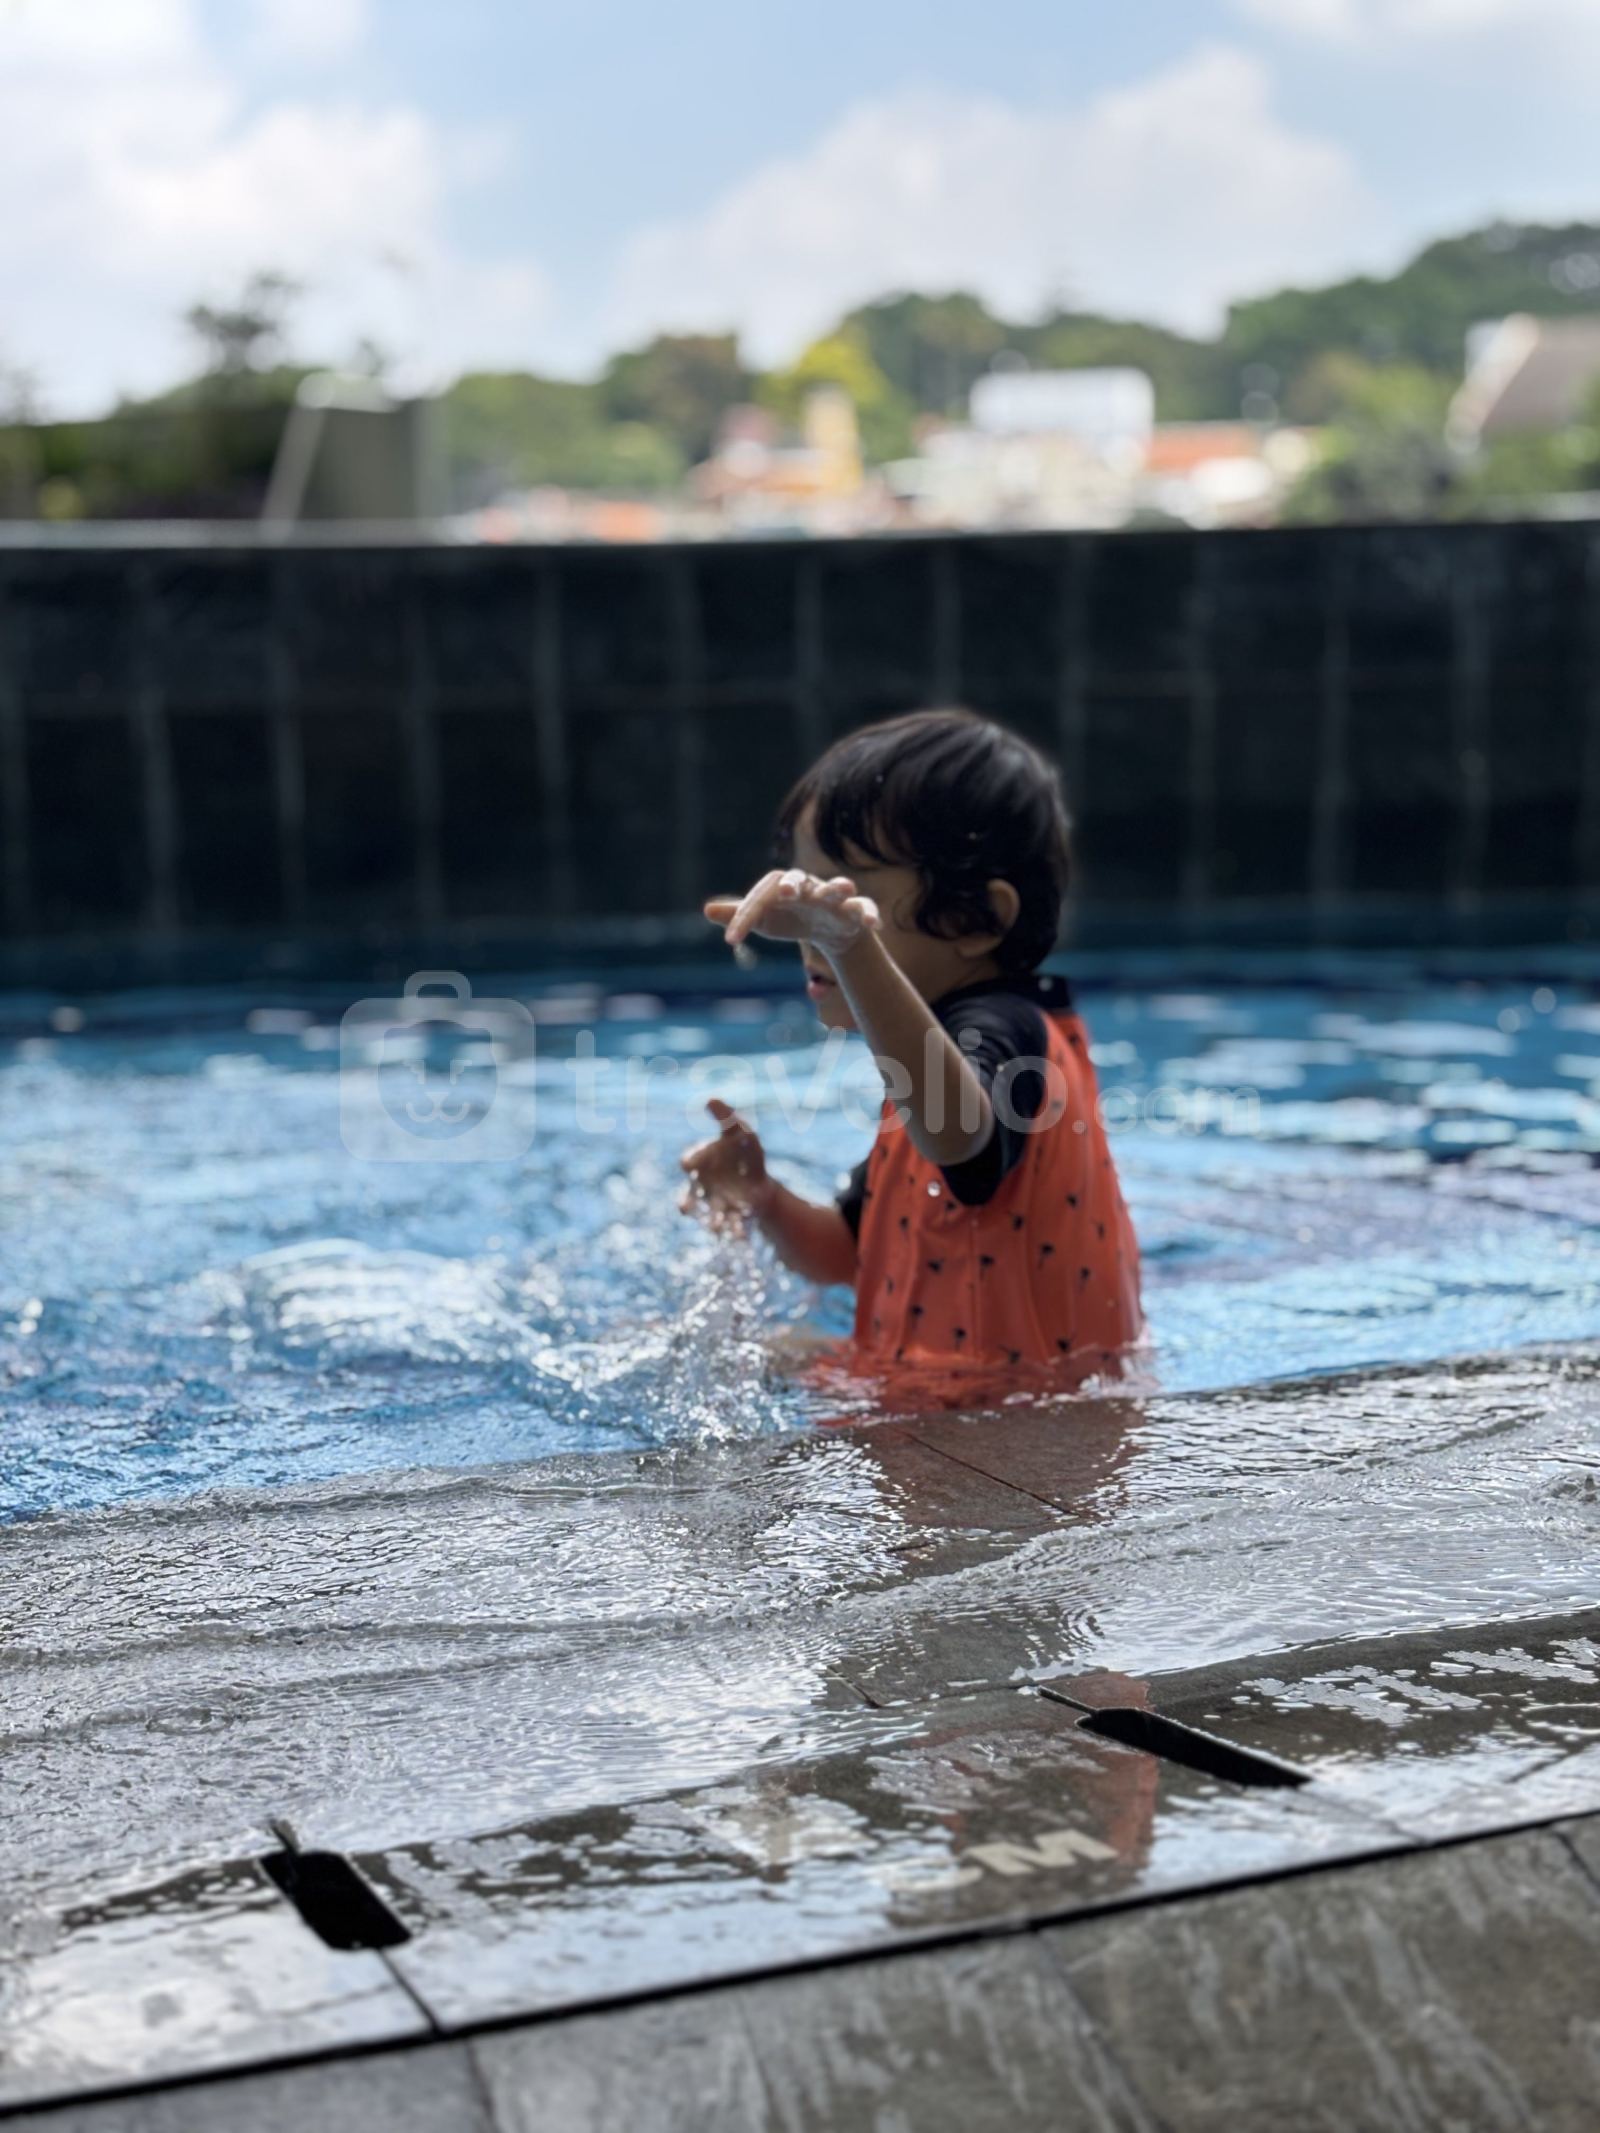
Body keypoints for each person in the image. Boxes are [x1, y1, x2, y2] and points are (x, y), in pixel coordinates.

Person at [679, 707, 1141, 1378]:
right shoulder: (928, 1065)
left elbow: (958, 1135)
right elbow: (846, 1253)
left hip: (1020, 1417)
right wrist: (766, 1197)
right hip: (948, 1389)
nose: (812, 927)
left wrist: (850, 945)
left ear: (976, 919)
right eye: (811, 898)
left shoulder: (1007, 1032)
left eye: (846, 896)